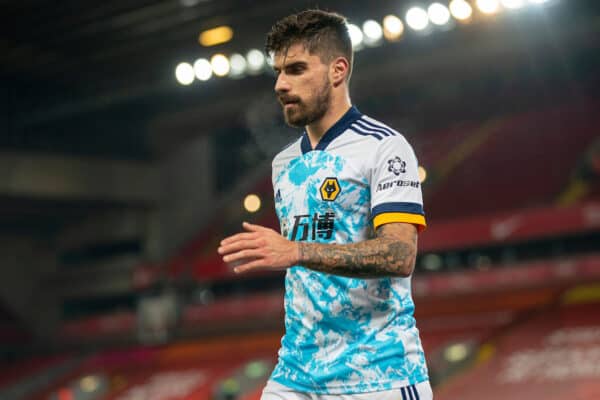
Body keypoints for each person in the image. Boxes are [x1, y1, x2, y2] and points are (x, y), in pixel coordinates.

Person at [218, 9, 432, 400]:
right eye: (279, 71)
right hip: (297, 374)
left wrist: (296, 250)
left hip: (377, 375)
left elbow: (401, 254)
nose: (281, 84)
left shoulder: (384, 146)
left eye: (297, 69)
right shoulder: (283, 164)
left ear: (337, 70)